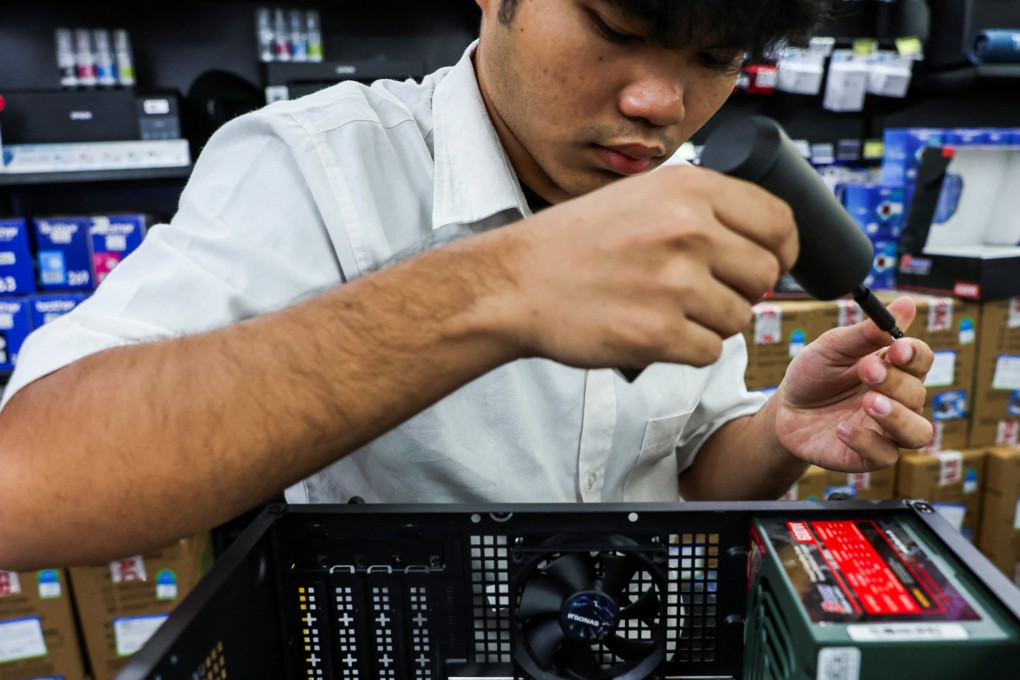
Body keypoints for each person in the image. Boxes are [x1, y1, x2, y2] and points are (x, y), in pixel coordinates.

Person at [0, 0, 933, 571]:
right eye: (617, 29)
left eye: (716, 62)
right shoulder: (314, 169)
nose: (661, 104)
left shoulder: (683, 196)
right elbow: (30, 486)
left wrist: (777, 433)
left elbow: (683, 470)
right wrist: (500, 287)